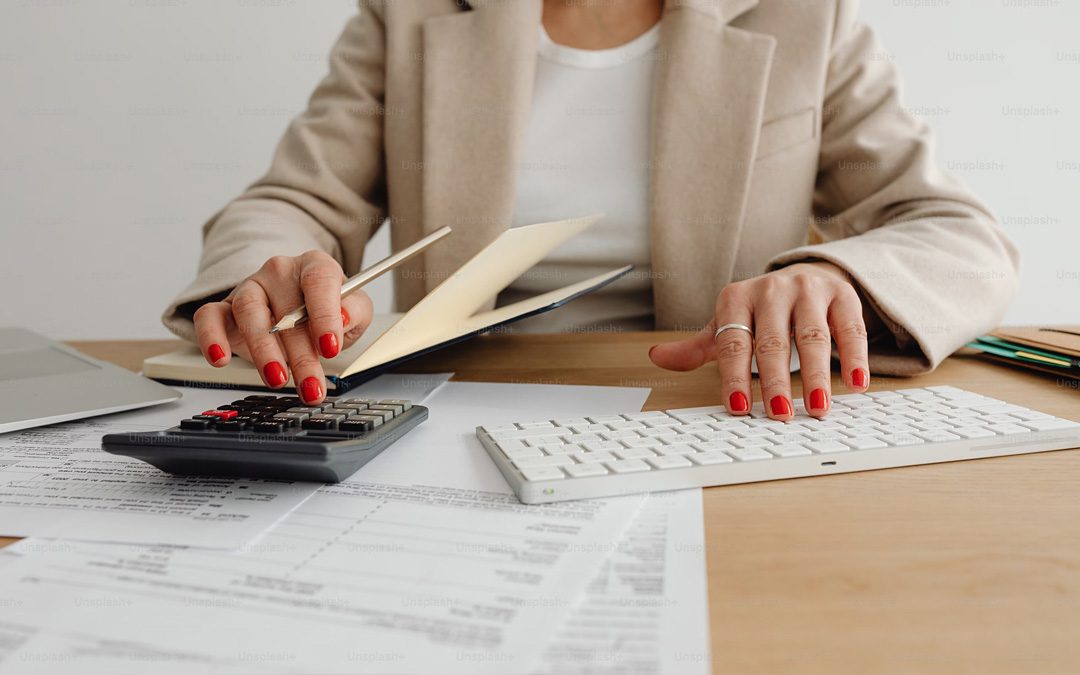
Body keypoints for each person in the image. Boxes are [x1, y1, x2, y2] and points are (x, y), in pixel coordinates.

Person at [162, 0, 1019, 420]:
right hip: (453, 409)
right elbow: (291, 202)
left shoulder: (805, 14)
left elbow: (958, 235)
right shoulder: (412, 11)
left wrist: (832, 273)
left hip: (709, 411)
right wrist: (277, 276)